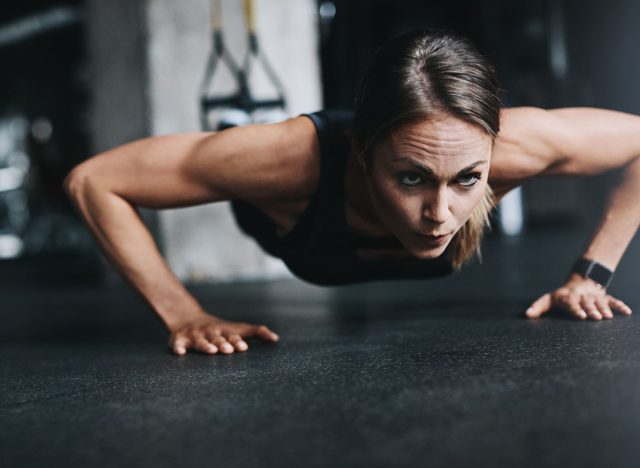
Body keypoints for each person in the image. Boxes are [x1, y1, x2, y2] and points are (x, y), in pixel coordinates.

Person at [64, 30, 637, 357]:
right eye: (411, 178)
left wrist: (592, 272)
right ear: (363, 157)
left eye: (467, 179)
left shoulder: (517, 145)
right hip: (281, 218)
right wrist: (182, 314)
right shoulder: (284, 160)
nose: (441, 216)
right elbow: (95, 180)